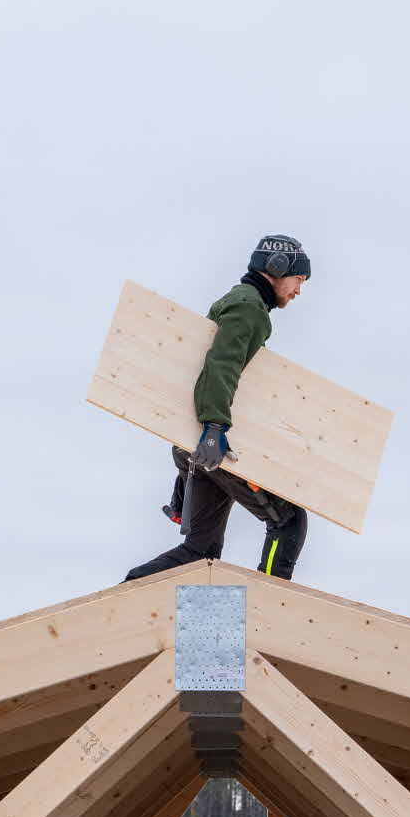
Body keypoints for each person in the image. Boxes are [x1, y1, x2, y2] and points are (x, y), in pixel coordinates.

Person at [124, 235, 312, 582]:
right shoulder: (248, 306)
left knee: (201, 550)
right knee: (288, 521)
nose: (299, 290)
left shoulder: (242, 302)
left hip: (200, 448)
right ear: (277, 268)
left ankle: (134, 586)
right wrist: (214, 430)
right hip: (213, 444)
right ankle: (268, 605)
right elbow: (220, 364)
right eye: (299, 280)